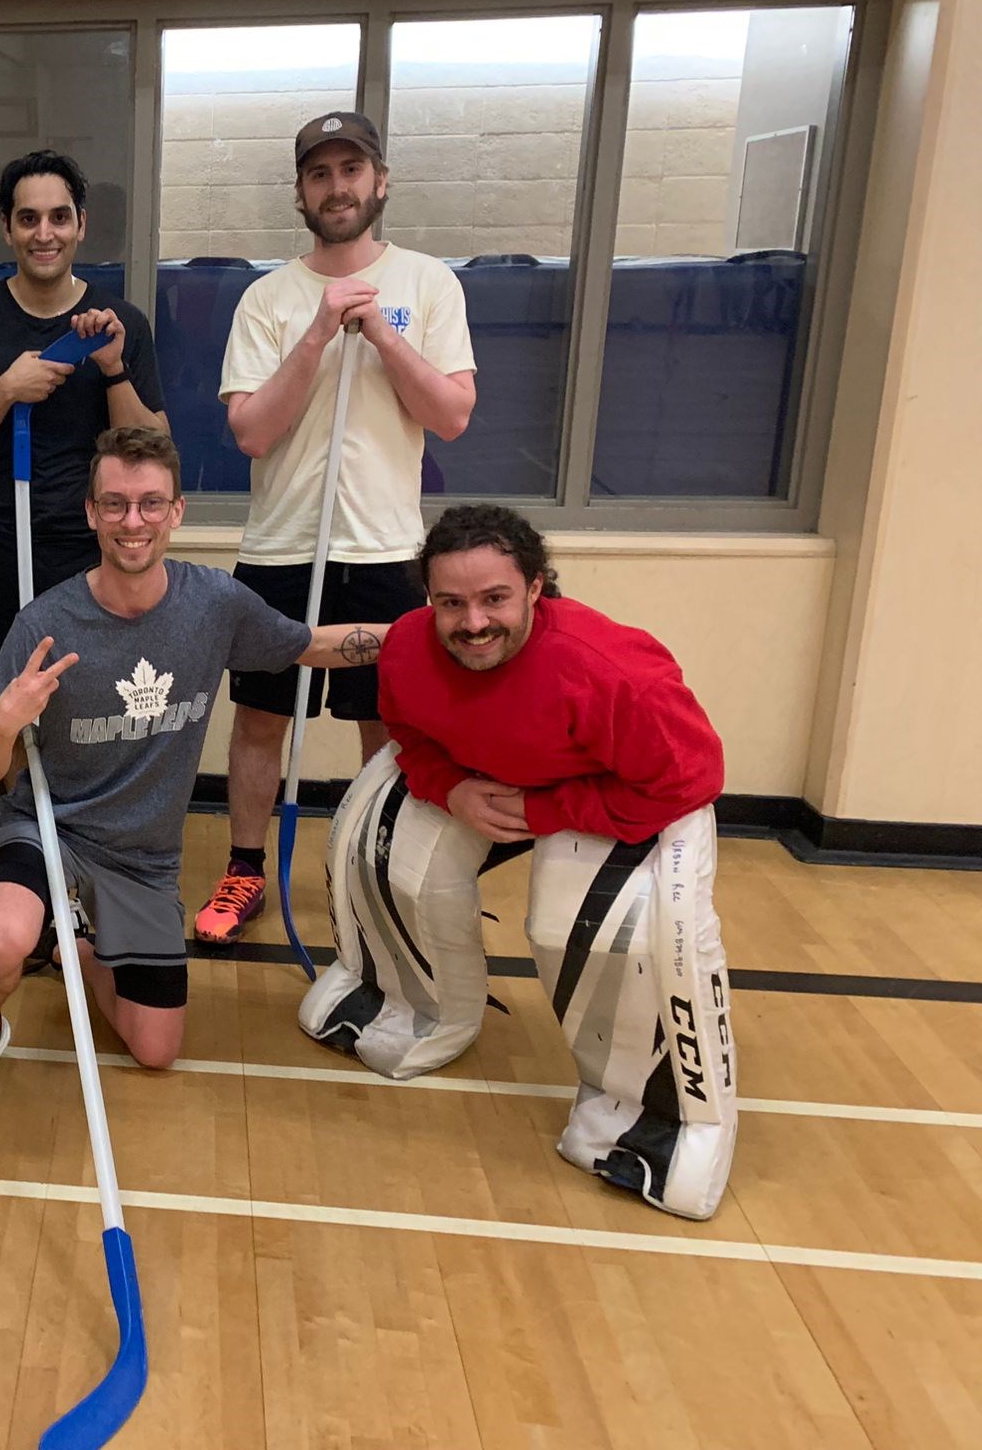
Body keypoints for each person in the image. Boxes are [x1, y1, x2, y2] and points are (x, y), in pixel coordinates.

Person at [0, 427, 386, 1126]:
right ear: (90, 513)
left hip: (143, 857)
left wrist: (423, 634)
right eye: (114, 504)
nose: (131, 521)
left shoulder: (216, 606)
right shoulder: (45, 624)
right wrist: (0, 723)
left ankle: (75, 946)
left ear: (176, 513)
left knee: (156, 1048)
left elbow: (311, 646)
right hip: (53, 830)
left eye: (148, 504)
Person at [298, 505, 737, 1220]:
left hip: (612, 791)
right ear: (428, 600)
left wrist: (545, 814)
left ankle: (649, 1117)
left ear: (536, 587)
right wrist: (451, 790)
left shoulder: (612, 672)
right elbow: (407, 736)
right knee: (398, 864)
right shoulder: (410, 646)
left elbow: (688, 780)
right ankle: (418, 1010)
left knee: (578, 931)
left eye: (494, 598)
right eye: (451, 603)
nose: (472, 623)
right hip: (488, 779)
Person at [194, 110, 478, 944]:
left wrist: (380, 337)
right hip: (281, 546)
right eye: (320, 174)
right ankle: (246, 869)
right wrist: (319, 330)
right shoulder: (268, 299)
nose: (337, 186)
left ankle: (369, 866)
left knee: (385, 723)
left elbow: (452, 415)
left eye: (351, 169)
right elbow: (251, 431)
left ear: (379, 181)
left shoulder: (428, 285)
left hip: (387, 548)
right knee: (259, 719)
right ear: (301, 193)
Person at [0, 149, 169, 702]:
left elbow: (154, 451)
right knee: (10, 706)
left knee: (99, 703)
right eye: (28, 218)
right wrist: (6, 391)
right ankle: (17, 795)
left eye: (59, 217)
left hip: (95, 550)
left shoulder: (121, 323)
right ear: (7, 228)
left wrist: (112, 369)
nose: (44, 233)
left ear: (81, 224)